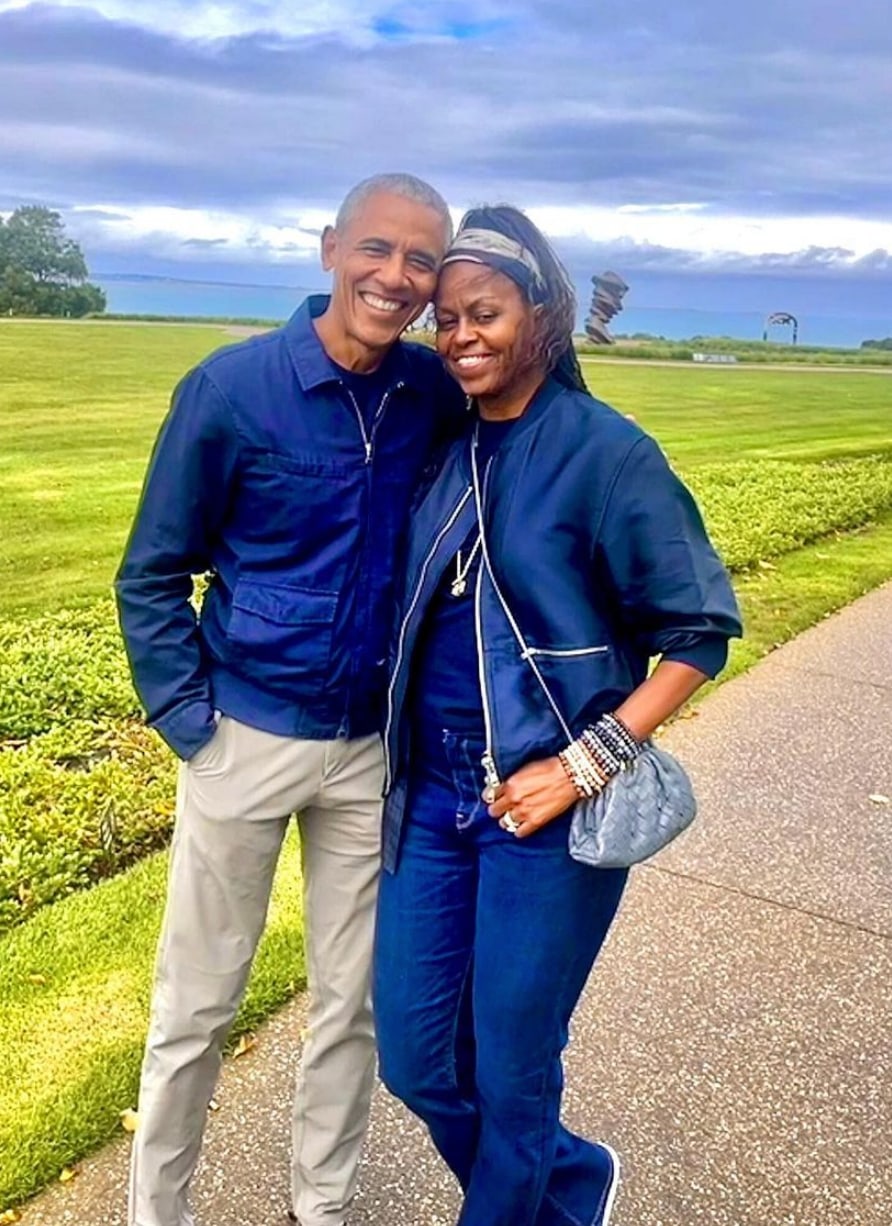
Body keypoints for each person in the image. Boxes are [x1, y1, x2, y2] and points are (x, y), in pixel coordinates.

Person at [374, 205, 742, 1226]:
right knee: (413, 1054)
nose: (458, 338)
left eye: (481, 313)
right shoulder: (445, 444)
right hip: (432, 795)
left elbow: (697, 634)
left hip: (546, 808)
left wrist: (585, 764)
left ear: (542, 315)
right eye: (443, 321)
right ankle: (569, 1183)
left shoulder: (606, 453)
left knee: (513, 1065)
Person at [115, 172, 465, 1226]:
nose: (395, 278)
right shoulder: (231, 390)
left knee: (350, 1003)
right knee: (196, 1006)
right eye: (376, 250)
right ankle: (155, 1210)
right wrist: (192, 725)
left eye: (419, 261)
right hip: (245, 738)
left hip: (368, 749)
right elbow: (151, 572)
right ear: (329, 249)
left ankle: (322, 1204)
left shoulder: (429, 396)